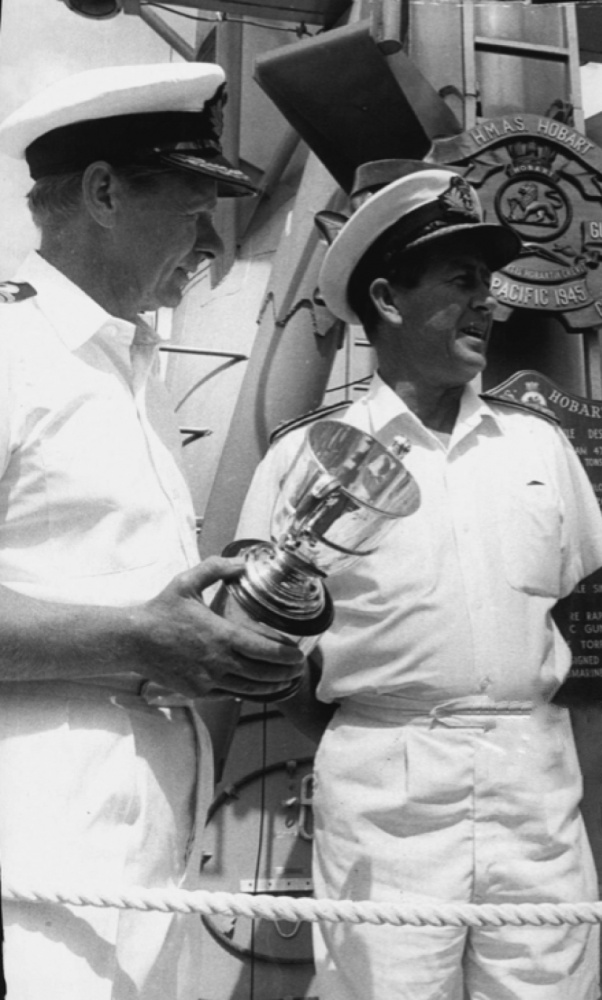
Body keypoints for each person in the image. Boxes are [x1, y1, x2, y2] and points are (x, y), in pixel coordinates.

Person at [236, 160, 602, 1000]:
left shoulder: (539, 449)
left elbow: (577, 607)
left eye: (490, 281)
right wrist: (384, 719)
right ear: (387, 299)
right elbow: (270, 652)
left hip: (534, 786)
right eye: (461, 281)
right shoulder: (303, 460)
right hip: (385, 791)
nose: (492, 301)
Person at [0, 63, 307, 999]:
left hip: (147, 836)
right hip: (34, 846)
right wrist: (138, 637)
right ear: (101, 193)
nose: (208, 239)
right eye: (190, 204)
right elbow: (127, 623)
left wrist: (213, 634)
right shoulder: (14, 357)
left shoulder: (133, 373)